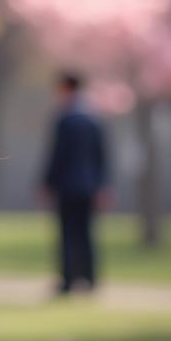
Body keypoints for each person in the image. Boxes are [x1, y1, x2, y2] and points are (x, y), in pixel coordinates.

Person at [39, 71, 112, 295]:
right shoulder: (94, 118)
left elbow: (57, 155)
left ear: (66, 87)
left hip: (67, 186)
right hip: (89, 186)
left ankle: (69, 279)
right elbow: (102, 155)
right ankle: (89, 279)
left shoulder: (65, 118)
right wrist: (103, 185)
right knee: (87, 233)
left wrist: (47, 182)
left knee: (68, 233)